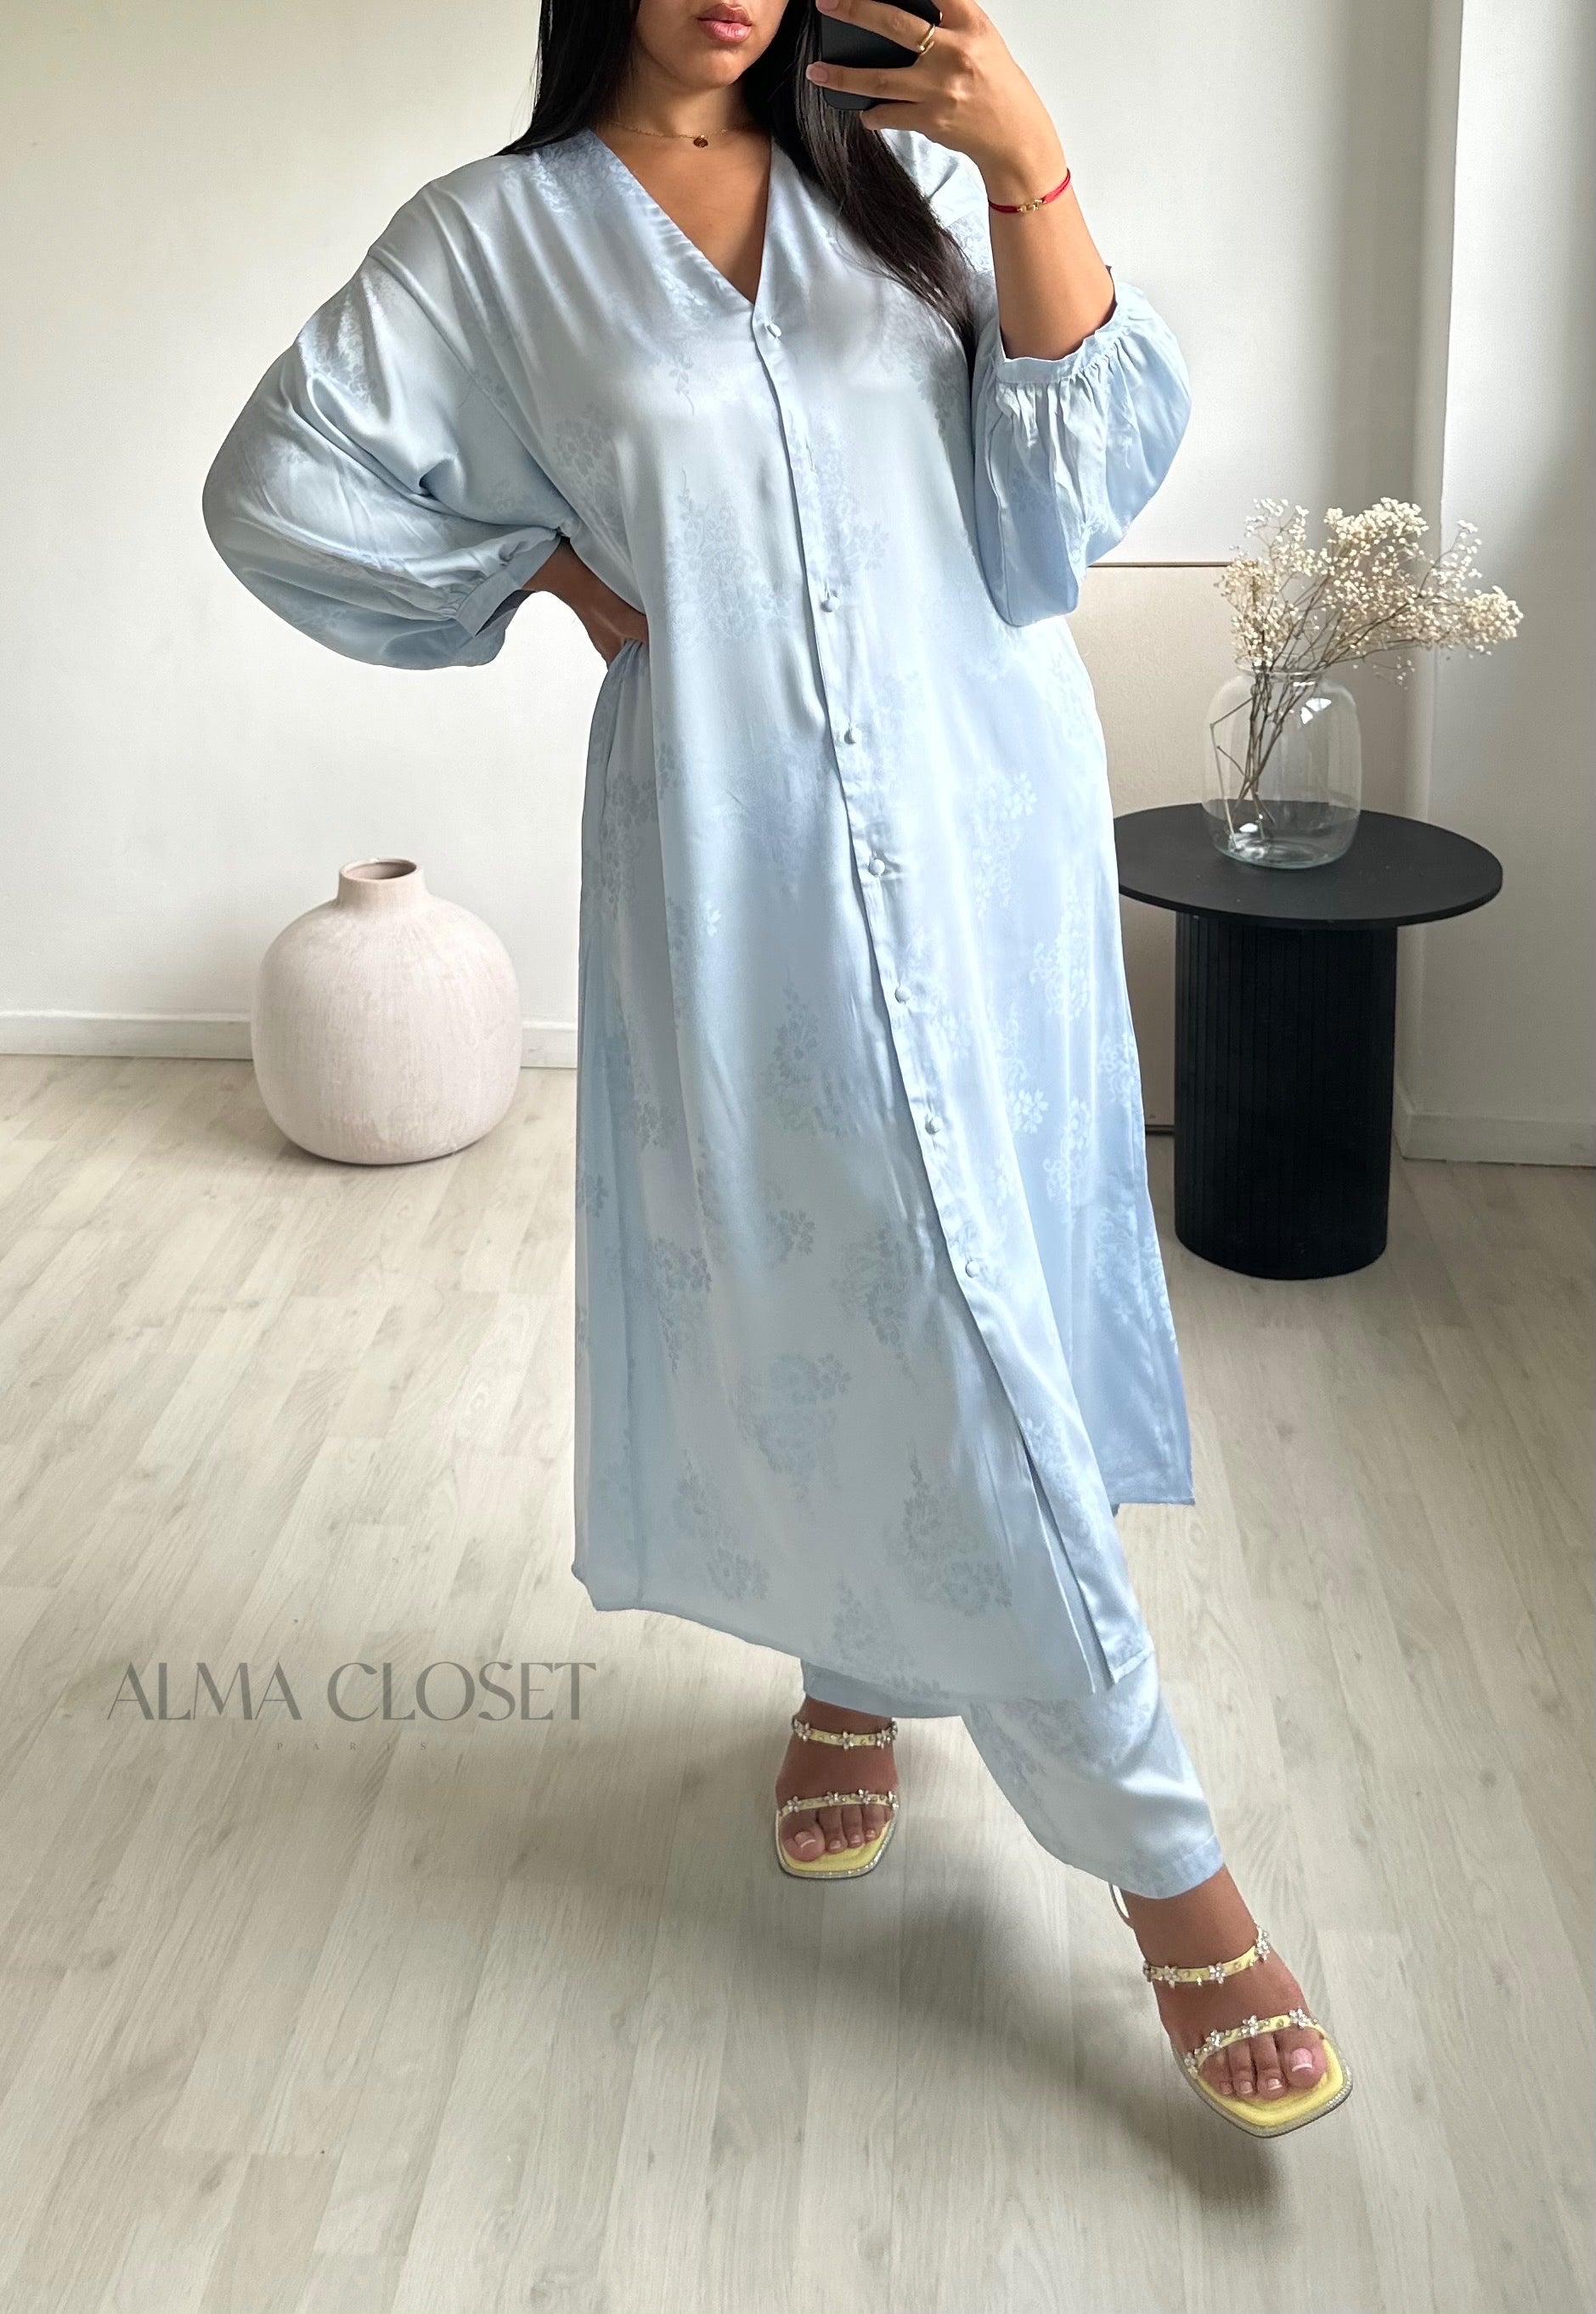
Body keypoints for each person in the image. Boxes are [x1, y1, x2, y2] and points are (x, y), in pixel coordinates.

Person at [202, 0, 1351, 2136]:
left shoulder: (894, 186)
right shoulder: (491, 243)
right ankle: (1175, 1879)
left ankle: (857, 1670)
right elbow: (277, 489)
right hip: (738, 849)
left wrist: (1026, 162)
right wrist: (533, 566)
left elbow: (1052, 517)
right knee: (860, 1268)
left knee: (966, 1285)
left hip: (986, 825)